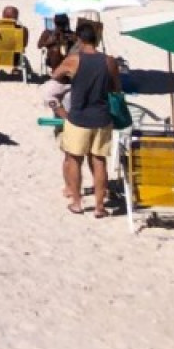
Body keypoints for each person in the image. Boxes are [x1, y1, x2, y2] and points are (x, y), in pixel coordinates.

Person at [52, 20, 120, 215]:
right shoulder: (109, 61)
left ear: (79, 39)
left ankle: (77, 202)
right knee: (99, 161)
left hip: (79, 117)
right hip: (102, 117)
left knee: (74, 159)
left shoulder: (74, 59)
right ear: (97, 39)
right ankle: (99, 206)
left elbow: (56, 75)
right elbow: (116, 88)